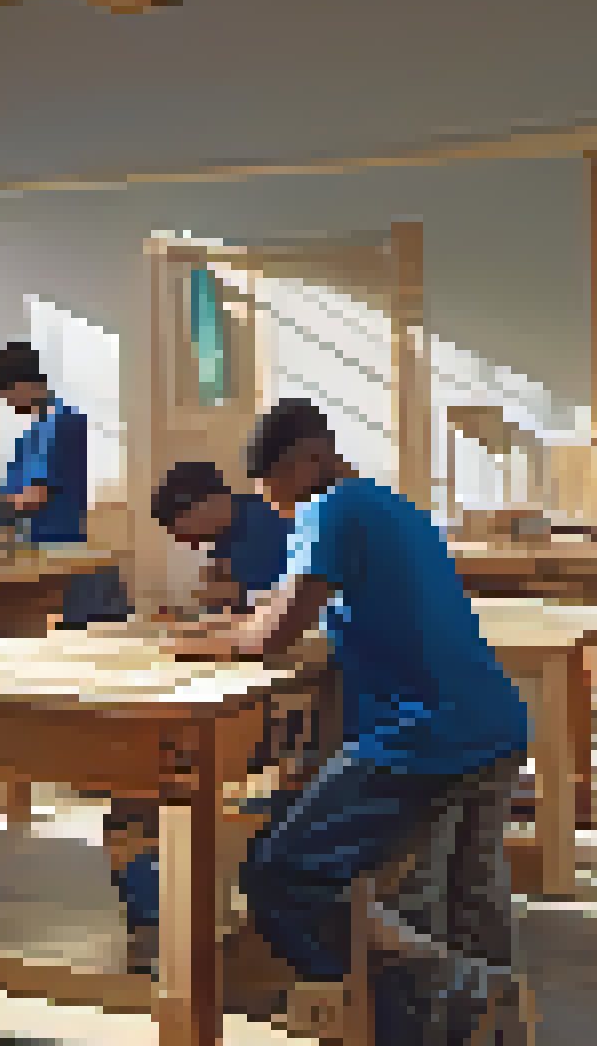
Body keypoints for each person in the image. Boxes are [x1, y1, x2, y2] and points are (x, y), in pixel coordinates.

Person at [223, 399, 530, 1043]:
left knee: (282, 876)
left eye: (274, 489)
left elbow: (276, 632)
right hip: (492, 724)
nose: (275, 507)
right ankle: (493, 1012)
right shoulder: (391, 504)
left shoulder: (329, 508)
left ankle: (425, 999)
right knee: (466, 900)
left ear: (307, 459)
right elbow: (297, 601)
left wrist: (209, 640)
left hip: (425, 736)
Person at [104, 460, 301, 972]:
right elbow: (224, 601)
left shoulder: (257, 530)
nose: (184, 542)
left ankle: (154, 921)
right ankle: (157, 916)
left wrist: (205, 623)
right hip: (266, 695)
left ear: (207, 506)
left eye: (180, 527)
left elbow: (250, 619)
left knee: (137, 786)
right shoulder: (239, 530)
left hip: (264, 706)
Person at [0, 342, 130, 625]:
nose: (7, 403)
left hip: (57, 553)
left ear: (24, 384)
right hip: (33, 549)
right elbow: (12, 496)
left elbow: (32, 497)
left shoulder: (61, 422)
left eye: (6, 394)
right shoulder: (31, 434)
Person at [151, 460, 292, 612]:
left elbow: (293, 591)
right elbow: (219, 600)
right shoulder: (220, 536)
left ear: (204, 505)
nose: (185, 540)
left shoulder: (269, 519)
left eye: (183, 529)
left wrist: (234, 593)